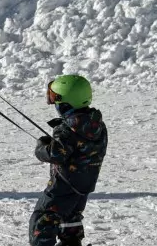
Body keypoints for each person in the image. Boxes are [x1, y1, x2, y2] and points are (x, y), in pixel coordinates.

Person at [29, 75, 108, 246]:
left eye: (54, 99)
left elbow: (56, 154)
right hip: (84, 184)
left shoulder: (66, 129)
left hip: (63, 184)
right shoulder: (97, 125)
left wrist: (42, 147)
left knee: (43, 217)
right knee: (70, 216)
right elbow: (80, 147)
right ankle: (71, 242)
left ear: (64, 103)